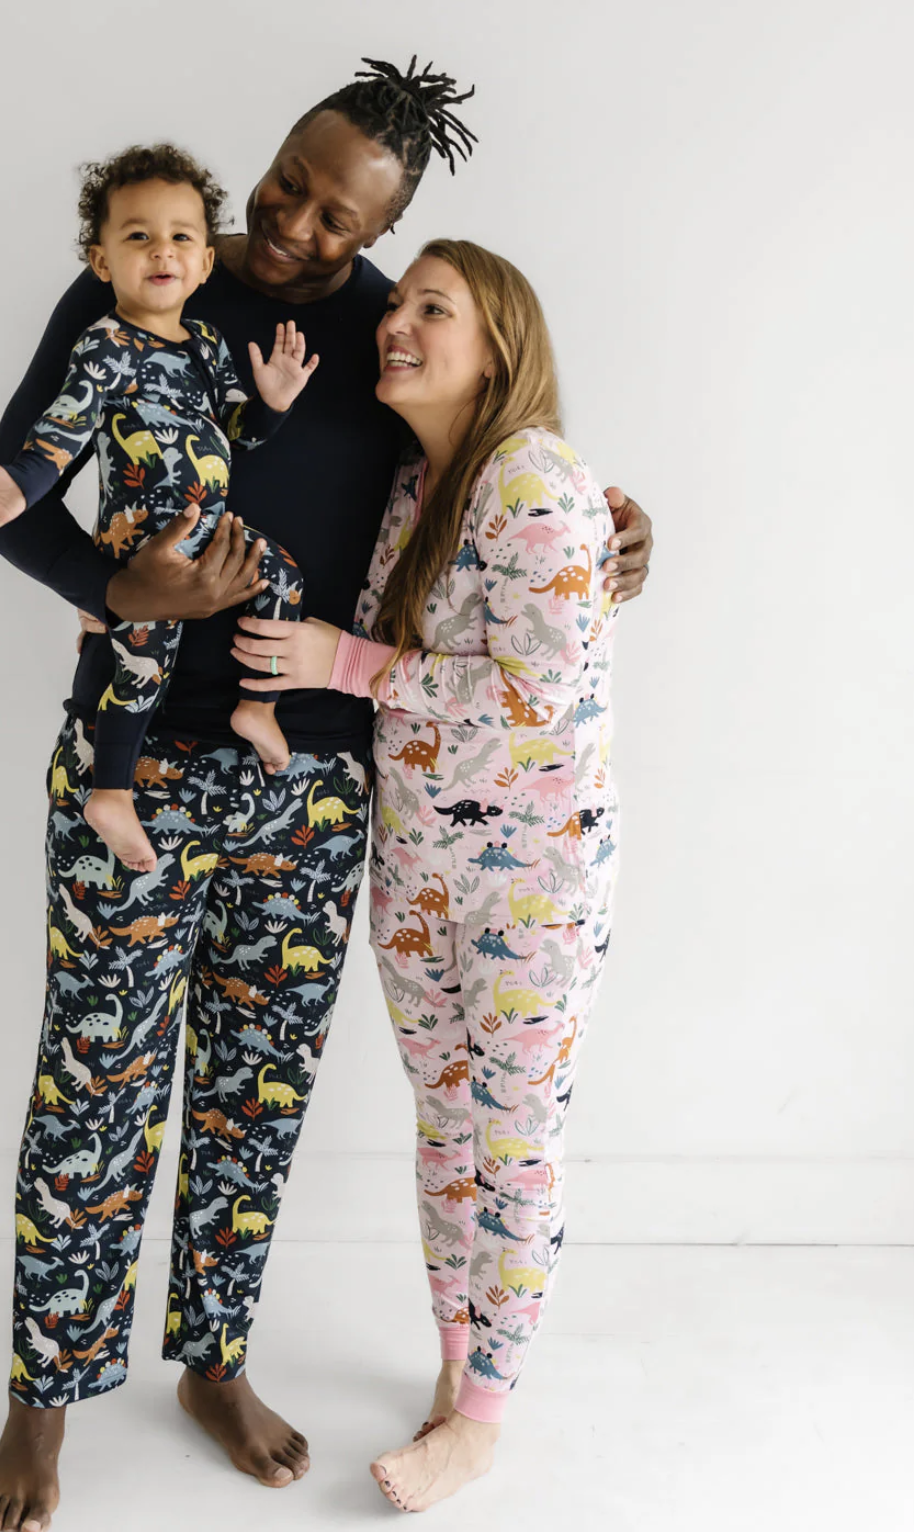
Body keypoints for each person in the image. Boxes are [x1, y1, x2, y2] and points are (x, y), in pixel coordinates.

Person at [0, 55, 652, 1532]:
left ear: (382, 227)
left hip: (313, 779)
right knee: (93, 1085)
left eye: (338, 217)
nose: (291, 223)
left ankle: (212, 1363)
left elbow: (482, 480)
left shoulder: (394, 335)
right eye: (286, 181)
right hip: (137, 762)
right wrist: (120, 588)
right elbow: (17, 493)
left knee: (250, 1094)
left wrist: (609, 526)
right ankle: (42, 1397)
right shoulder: (147, 273)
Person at [231, 240, 622, 1512]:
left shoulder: (535, 479)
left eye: (432, 306)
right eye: (397, 301)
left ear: (498, 346)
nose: (397, 319)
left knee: (515, 1140)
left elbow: (533, 690)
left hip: (531, 886)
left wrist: (342, 662)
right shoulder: (417, 485)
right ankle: (456, 1371)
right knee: (447, 1131)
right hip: (417, 869)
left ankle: (485, 1419)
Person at [0, 145, 319, 870]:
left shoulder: (206, 345)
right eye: (139, 236)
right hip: (143, 544)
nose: (162, 250)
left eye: (181, 236)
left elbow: (235, 434)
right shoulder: (105, 346)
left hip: (212, 529)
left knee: (284, 578)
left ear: (205, 263)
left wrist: (272, 405)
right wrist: (15, 485)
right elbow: (62, 428)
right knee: (144, 663)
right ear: (102, 261)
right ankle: (111, 791)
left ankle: (257, 707)